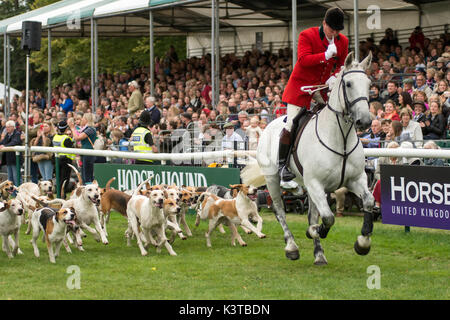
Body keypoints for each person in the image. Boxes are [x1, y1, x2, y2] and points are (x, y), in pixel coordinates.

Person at [279, 7, 348, 182]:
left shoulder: (343, 41)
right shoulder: (306, 35)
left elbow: (341, 63)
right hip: (301, 87)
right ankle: (282, 166)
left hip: (321, 87)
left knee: (334, 116)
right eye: (331, 29)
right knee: (291, 124)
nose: (334, 34)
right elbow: (303, 60)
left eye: (337, 31)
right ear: (324, 23)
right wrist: (325, 55)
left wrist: (335, 76)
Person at [69, 113, 97, 184]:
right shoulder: (87, 129)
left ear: (87, 120)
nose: (82, 120)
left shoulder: (90, 129)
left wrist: (72, 128)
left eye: (83, 118)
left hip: (88, 153)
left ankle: (89, 189)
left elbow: (77, 138)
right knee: (84, 174)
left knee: (87, 175)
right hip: (84, 152)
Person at [52, 120, 76, 198]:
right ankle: (62, 195)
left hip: (56, 160)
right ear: (66, 129)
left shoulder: (55, 137)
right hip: (66, 161)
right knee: (65, 179)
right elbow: (72, 147)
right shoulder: (66, 138)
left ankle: (59, 194)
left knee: (58, 179)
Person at [0, 120, 22, 187]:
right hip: (9, 160)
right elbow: (3, 142)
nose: (7, 128)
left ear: (13, 127)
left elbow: (14, 142)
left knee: (16, 178)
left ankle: (19, 193)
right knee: (10, 178)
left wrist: (5, 146)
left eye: (9, 127)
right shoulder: (7, 135)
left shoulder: (17, 134)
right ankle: (12, 193)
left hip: (15, 160)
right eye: (6, 127)